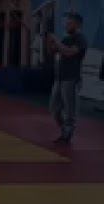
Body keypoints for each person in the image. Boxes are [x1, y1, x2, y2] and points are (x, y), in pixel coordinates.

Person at [47, 13, 87, 145]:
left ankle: (67, 134)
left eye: (70, 23)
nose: (66, 25)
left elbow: (69, 52)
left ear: (78, 25)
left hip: (71, 78)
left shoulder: (80, 39)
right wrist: (50, 41)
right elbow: (53, 51)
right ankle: (65, 130)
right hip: (59, 78)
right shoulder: (66, 38)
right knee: (54, 108)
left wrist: (57, 41)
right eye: (66, 23)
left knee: (69, 109)